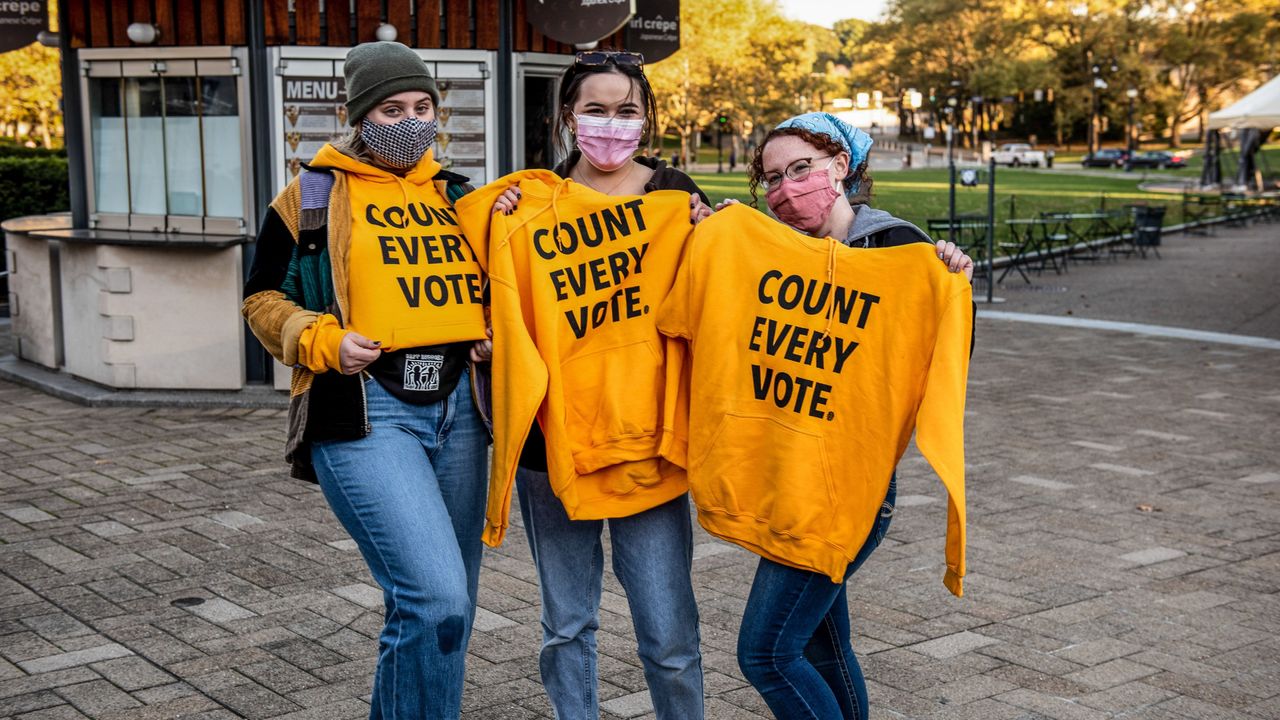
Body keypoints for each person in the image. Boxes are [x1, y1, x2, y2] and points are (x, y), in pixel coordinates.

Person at [242, 42, 492, 719]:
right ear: (358, 116)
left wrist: (488, 332)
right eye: (391, 108)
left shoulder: (456, 194)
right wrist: (322, 340)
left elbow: (492, 291)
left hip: (460, 414)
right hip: (366, 411)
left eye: (422, 107)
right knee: (436, 596)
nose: (410, 121)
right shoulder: (310, 196)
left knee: (445, 611)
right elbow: (262, 298)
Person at [721, 112, 972, 719]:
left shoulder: (899, 247)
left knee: (766, 654)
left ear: (841, 167)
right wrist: (719, 230)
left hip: (847, 492)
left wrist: (951, 284)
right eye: (773, 178)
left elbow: (944, 359)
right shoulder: (773, 250)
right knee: (822, 646)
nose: (786, 189)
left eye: (801, 168)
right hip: (785, 478)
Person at [488, 50, 709, 720]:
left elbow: (720, 302)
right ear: (567, 116)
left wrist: (714, 236)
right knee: (566, 627)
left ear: (646, 120)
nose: (611, 124)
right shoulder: (529, 203)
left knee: (669, 638)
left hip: (649, 442)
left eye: (626, 111)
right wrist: (491, 226)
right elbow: (484, 294)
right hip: (552, 444)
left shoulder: (676, 194)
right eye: (596, 110)